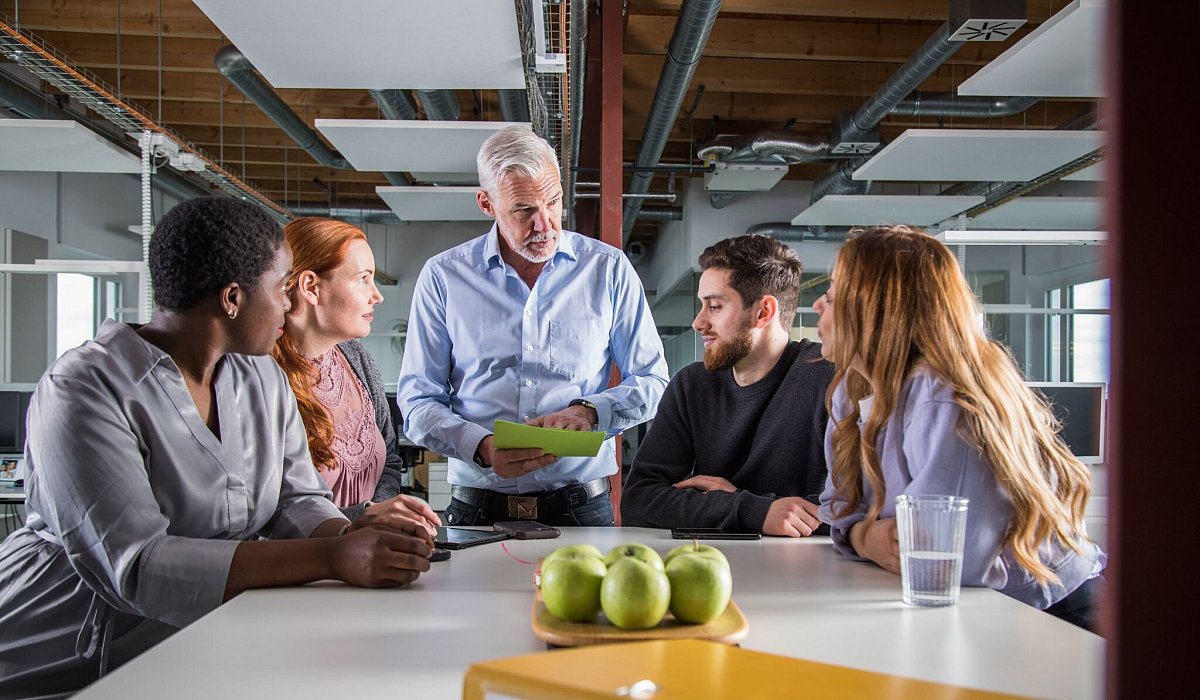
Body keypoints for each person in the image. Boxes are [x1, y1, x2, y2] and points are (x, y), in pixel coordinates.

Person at [0, 198, 432, 698]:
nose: (291, 306)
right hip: (56, 656)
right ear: (232, 298)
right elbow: (139, 566)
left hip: (191, 649)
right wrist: (335, 556)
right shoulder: (85, 389)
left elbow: (296, 498)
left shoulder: (261, 373)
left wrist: (352, 531)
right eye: (282, 288)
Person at [815, 225, 1106, 629]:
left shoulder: (945, 399)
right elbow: (836, 510)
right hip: (976, 612)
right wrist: (868, 537)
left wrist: (867, 535)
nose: (817, 306)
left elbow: (949, 561)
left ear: (874, 310)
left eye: (830, 296)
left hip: (1051, 611)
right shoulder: (852, 388)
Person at [396, 125, 668, 527]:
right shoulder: (443, 277)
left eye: (554, 202)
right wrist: (483, 447)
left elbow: (653, 379)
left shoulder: (608, 269)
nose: (545, 225)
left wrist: (591, 413)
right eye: (524, 210)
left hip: (582, 510)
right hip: (476, 509)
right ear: (486, 203)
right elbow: (418, 402)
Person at [621, 235, 835, 536]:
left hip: (809, 572)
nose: (698, 322)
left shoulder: (828, 379)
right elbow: (638, 501)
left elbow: (851, 511)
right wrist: (751, 510)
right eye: (702, 306)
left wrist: (735, 502)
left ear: (763, 312)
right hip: (708, 563)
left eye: (715, 306)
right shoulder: (691, 385)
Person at [273, 217, 440, 536]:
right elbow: (270, 510)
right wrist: (360, 519)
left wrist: (381, 517)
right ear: (311, 287)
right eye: (363, 279)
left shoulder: (357, 358)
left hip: (371, 557)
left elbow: (390, 461)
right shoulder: (261, 377)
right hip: (304, 567)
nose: (377, 296)